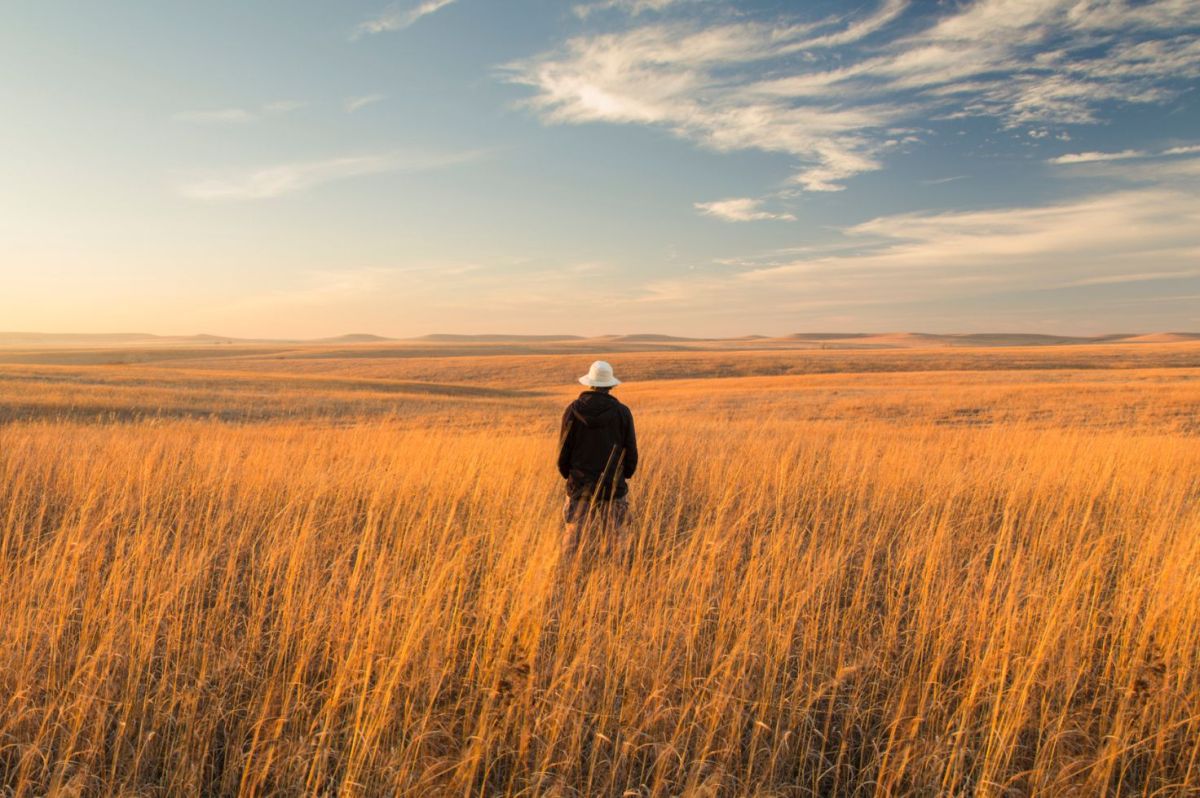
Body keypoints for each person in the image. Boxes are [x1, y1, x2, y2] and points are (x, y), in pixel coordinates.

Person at [557, 360, 638, 559]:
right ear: (610, 385)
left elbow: (562, 454)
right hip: (612, 486)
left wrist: (571, 476)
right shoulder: (622, 412)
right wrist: (621, 477)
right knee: (616, 540)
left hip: (580, 485)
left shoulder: (572, 410)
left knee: (573, 539)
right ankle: (616, 579)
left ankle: (566, 579)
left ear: (590, 383)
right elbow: (631, 453)